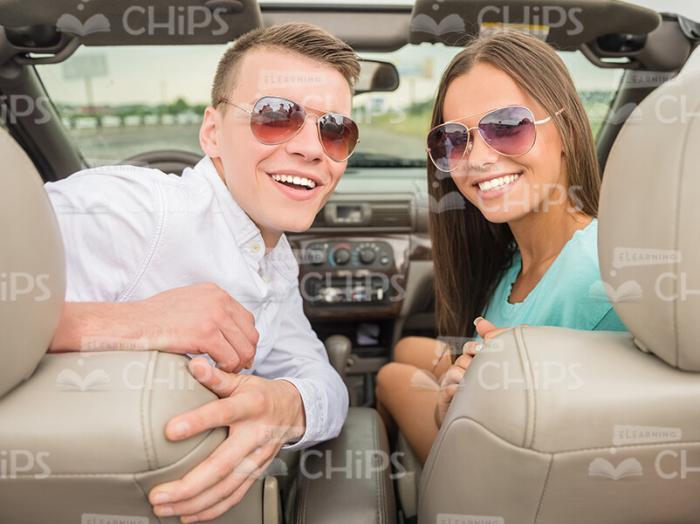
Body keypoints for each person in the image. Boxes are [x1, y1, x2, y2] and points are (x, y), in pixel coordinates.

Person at [45, 22, 360, 522]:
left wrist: (284, 403)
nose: (312, 148)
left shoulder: (273, 258)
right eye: (275, 116)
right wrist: (130, 324)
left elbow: (321, 380)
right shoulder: (137, 209)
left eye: (336, 129)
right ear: (212, 132)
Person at [375, 30, 627, 465]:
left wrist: (457, 406)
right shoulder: (517, 259)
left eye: (507, 127)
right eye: (454, 140)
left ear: (565, 130)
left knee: (392, 376)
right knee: (406, 350)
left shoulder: (602, 282)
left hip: (503, 474)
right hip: (495, 418)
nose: (476, 158)